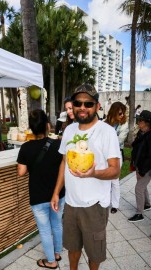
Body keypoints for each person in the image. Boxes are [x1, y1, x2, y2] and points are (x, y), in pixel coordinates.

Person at [51, 84, 121, 270]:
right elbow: (64, 164)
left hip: (94, 205)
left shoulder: (107, 132)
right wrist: (56, 192)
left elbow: (115, 170)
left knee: (94, 252)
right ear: (72, 105)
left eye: (88, 103)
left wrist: (94, 173)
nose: (82, 107)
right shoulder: (69, 131)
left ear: (97, 106)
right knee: (72, 247)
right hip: (72, 203)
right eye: (78, 103)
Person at [17, 109, 65, 269]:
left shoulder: (25, 148)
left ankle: (51, 261)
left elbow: (21, 172)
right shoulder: (58, 144)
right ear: (47, 126)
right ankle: (57, 253)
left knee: (45, 230)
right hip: (58, 194)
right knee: (57, 224)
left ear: (31, 128)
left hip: (38, 196)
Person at [105, 102, 129, 214]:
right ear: (113, 112)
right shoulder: (105, 123)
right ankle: (104, 201)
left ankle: (115, 204)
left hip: (117, 154)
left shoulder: (124, 125)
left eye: (123, 113)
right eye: (120, 113)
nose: (122, 115)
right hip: (104, 154)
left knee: (114, 181)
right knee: (104, 179)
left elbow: (119, 141)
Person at [128, 110, 151, 223]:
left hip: (146, 168)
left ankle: (139, 213)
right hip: (139, 165)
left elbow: (150, 156)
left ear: (147, 122)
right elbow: (136, 147)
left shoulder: (150, 136)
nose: (138, 122)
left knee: (139, 188)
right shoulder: (141, 133)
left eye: (140, 120)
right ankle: (146, 204)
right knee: (143, 187)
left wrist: (142, 170)